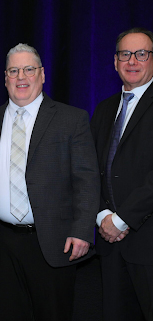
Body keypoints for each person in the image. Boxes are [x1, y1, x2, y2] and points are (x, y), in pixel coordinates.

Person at [0, 43, 100, 321]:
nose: (21, 77)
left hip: (54, 242)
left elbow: (87, 179)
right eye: (14, 70)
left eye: (29, 70)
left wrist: (82, 230)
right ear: (5, 78)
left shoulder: (72, 119)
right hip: (0, 243)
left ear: (42, 75)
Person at [91, 27, 153, 321]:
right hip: (110, 245)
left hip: (147, 241)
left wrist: (121, 218)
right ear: (115, 62)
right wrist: (101, 214)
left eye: (141, 54)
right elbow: (89, 169)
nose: (132, 61)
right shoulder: (103, 110)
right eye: (125, 54)